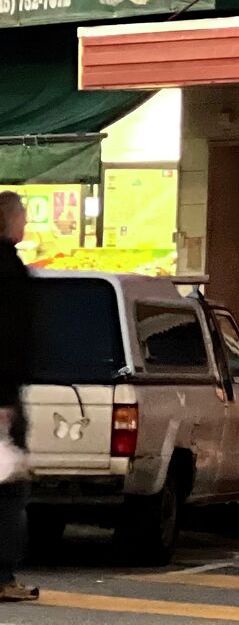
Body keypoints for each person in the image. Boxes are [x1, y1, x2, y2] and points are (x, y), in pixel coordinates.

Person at [0, 190, 39, 603]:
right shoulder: (7, 268)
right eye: (22, 217)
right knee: (9, 489)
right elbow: (9, 338)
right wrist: (5, 399)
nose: (25, 224)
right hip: (3, 395)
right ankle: (2, 575)